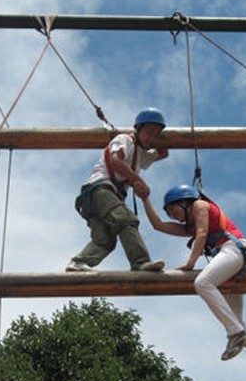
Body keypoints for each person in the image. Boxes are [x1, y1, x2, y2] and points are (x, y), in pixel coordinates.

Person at [140, 184, 246, 381]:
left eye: (171, 210)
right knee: (236, 322)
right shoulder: (188, 226)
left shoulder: (200, 205)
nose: (172, 216)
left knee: (202, 283)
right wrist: (144, 198)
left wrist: (191, 263)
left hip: (233, 251)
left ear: (183, 201)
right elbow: (158, 225)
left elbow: (202, 233)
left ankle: (235, 334)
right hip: (232, 260)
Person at [66, 108, 169, 272]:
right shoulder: (125, 140)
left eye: (156, 134)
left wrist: (160, 140)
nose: (152, 138)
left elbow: (163, 153)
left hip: (92, 200)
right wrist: (137, 180)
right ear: (138, 128)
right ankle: (140, 262)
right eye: (149, 132)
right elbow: (116, 161)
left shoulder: (140, 155)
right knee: (126, 220)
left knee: (105, 240)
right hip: (101, 190)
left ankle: (78, 262)